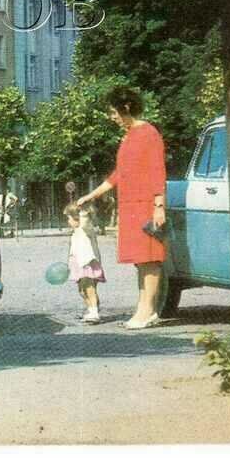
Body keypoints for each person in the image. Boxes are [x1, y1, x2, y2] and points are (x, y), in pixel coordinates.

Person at [76, 86, 168, 329]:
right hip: (131, 206)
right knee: (140, 260)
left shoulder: (149, 133)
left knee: (150, 259)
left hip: (146, 204)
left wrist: (159, 206)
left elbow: (158, 170)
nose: (112, 117)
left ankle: (147, 310)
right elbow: (119, 174)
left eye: (113, 112)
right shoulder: (129, 135)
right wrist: (91, 195)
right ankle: (144, 309)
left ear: (125, 108)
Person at [65, 203, 105, 324]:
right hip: (78, 263)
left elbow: (85, 220)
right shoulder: (76, 232)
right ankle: (92, 309)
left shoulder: (85, 229)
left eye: (69, 218)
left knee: (89, 287)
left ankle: (94, 312)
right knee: (82, 290)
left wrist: (83, 210)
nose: (68, 221)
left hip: (87, 262)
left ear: (78, 219)